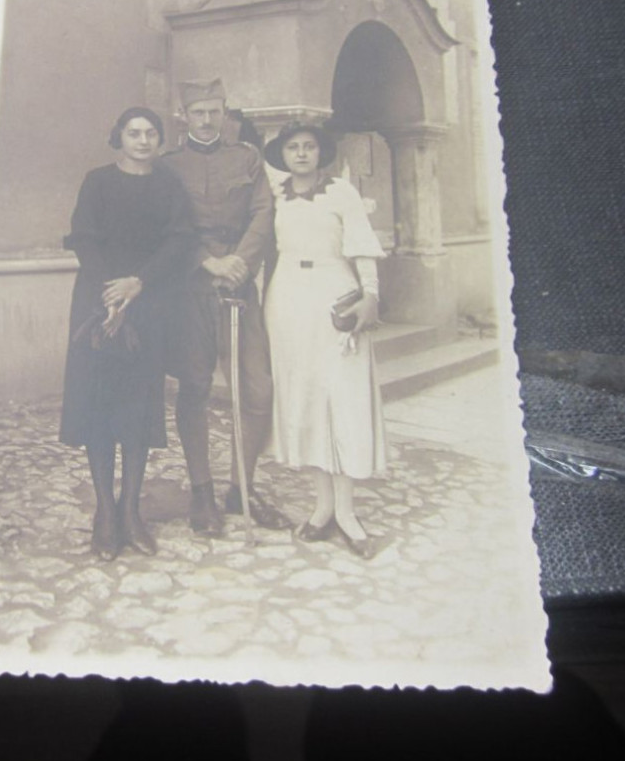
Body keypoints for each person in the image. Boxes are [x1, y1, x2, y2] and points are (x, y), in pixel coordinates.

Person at [60, 107, 195, 561]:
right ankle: (104, 513)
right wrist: (110, 296)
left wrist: (139, 284)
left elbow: (180, 240)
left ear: (159, 140)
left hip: (148, 304)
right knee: (99, 408)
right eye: (134, 133)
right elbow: (84, 238)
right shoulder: (96, 181)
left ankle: (131, 512)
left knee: (138, 412)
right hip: (96, 306)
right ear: (118, 137)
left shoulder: (168, 184)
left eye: (150, 133)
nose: (142, 140)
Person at [160, 80, 291, 535]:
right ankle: (202, 493)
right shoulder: (169, 166)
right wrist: (207, 262)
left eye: (214, 112)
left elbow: (263, 212)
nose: (207, 120)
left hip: (238, 284)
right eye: (198, 112)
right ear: (184, 115)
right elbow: (168, 223)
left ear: (224, 112)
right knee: (194, 386)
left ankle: (241, 485)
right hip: (192, 288)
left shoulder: (247, 158)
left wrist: (240, 262)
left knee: (257, 389)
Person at [261, 123, 386, 556]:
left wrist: (369, 295)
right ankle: (321, 507)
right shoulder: (273, 195)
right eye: (292, 147)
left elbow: (361, 246)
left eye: (308, 147)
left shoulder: (341, 193)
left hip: (335, 292)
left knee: (342, 397)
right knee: (307, 396)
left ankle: (348, 514)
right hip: (287, 299)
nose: (300, 154)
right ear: (282, 154)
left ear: (320, 152)